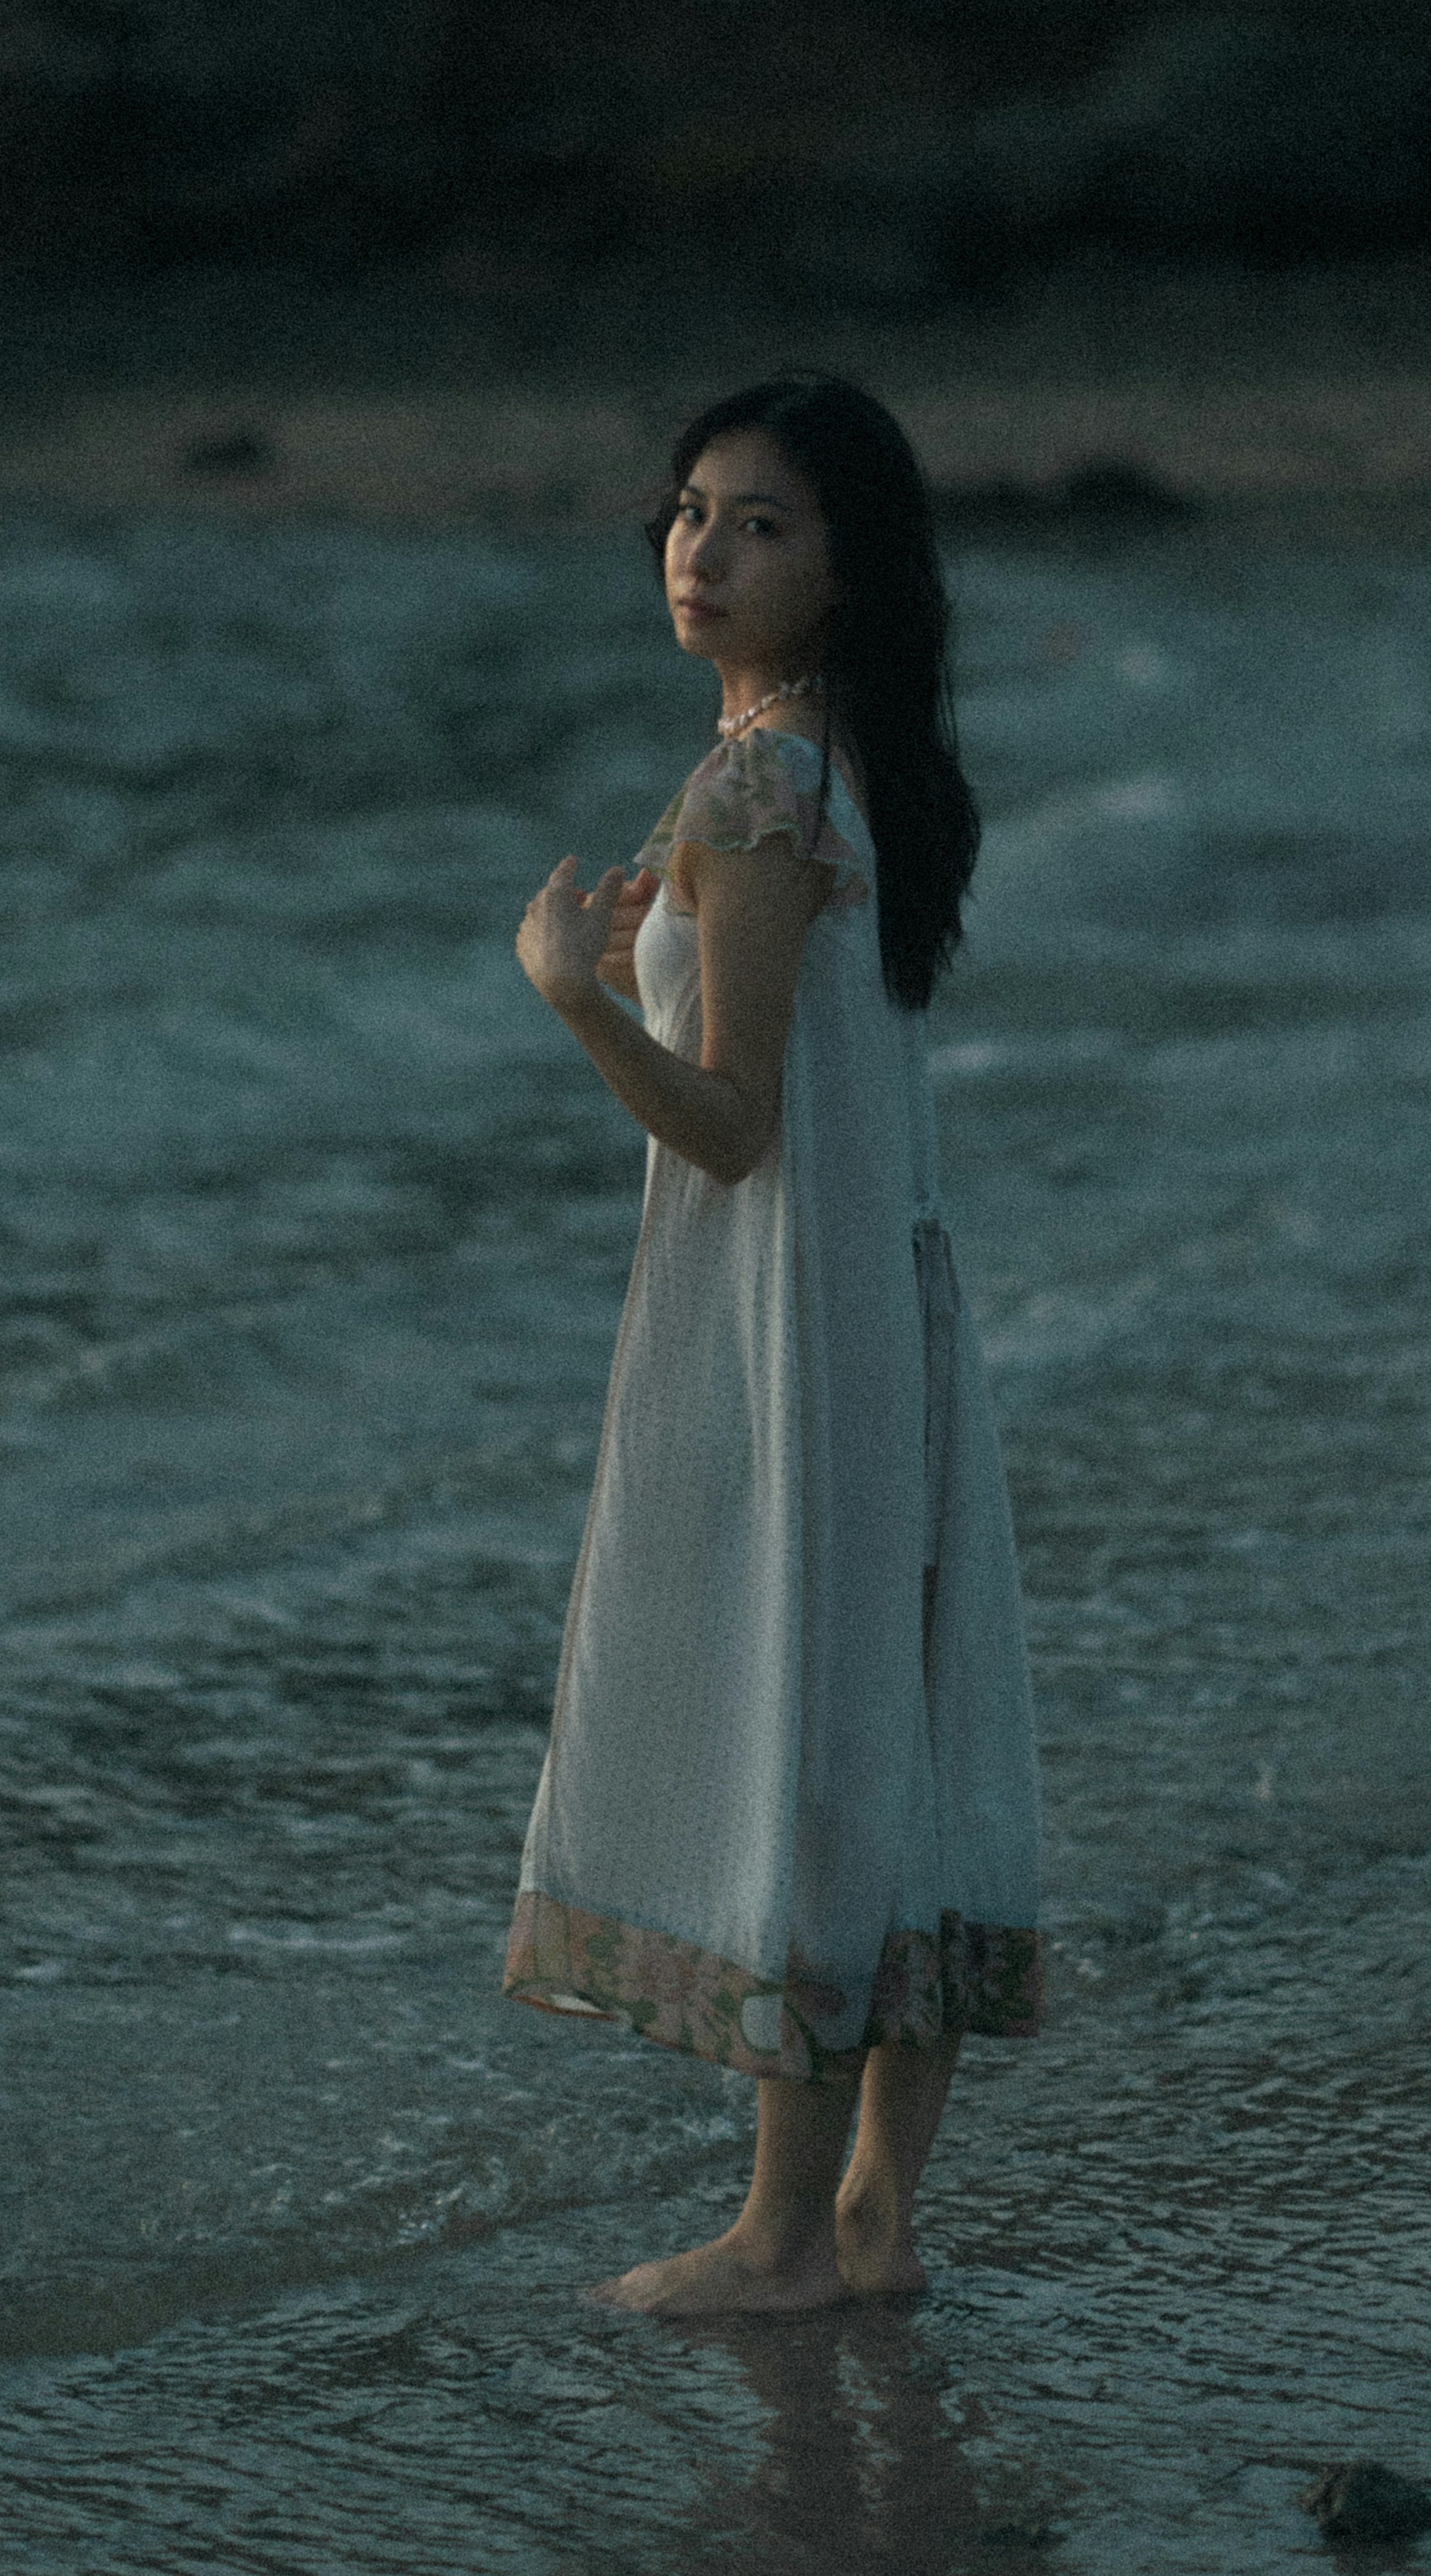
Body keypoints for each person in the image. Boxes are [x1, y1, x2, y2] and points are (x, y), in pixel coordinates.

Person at [508, 374, 1042, 2315]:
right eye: (691, 512)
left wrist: (575, 992)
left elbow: (730, 1124)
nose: (702, 552)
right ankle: (879, 2215)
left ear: (848, 567)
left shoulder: (762, 782)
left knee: (805, 1725)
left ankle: (777, 2232)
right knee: (887, 1715)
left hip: (792, 1318)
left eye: (761, 525)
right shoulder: (839, 760)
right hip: (882, 1296)